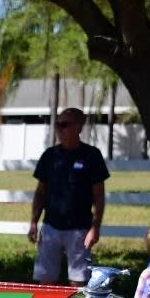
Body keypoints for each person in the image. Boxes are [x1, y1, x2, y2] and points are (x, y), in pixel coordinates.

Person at [27, 108, 110, 286]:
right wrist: (34, 222)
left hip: (80, 229)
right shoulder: (50, 156)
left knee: (78, 282)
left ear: (78, 128)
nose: (59, 128)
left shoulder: (91, 156)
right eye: (57, 124)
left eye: (64, 124)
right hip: (50, 227)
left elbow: (99, 196)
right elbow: (40, 192)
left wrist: (95, 227)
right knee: (46, 280)